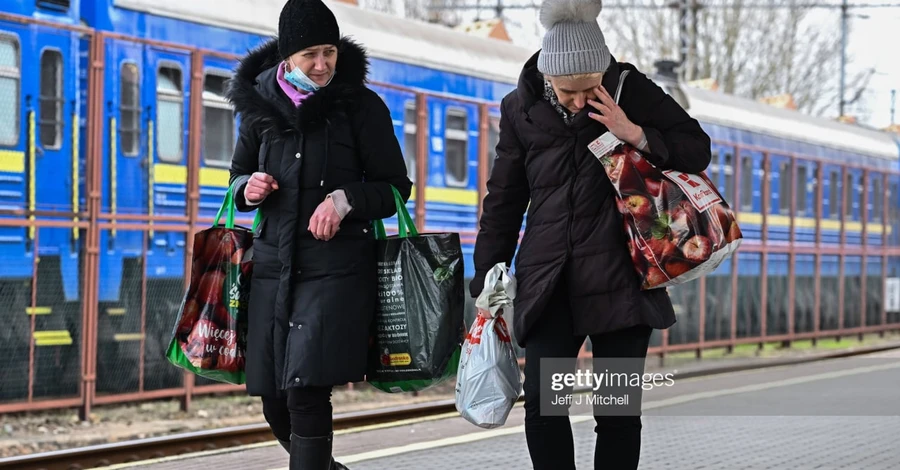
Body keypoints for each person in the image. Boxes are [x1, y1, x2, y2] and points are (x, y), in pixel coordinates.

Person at [469, 0, 712, 469]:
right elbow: (503, 196)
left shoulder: (632, 91)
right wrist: (487, 273)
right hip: (549, 281)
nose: (580, 101)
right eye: (567, 91)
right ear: (547, 78)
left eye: (589, 89)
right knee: (544, 405)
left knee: (617, 412)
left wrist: (635, 132)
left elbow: (696, 150)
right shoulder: (519, 108)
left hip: (624, 278)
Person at [225, 0, 412, 468]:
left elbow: (395, 189)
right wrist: (248, 188)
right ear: (288, 56)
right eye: (311, 54)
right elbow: (236, 178)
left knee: (306, 393)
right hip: (272, 268)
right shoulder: (258, 106)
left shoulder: (362, 106)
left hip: (336, 271)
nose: (323, 64)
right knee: (274, 400)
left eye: (329, 51)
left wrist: (345, 200)